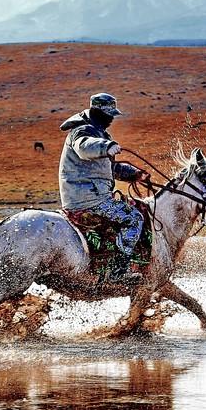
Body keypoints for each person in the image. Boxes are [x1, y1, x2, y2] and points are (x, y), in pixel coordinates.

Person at [59, 92, 148, 284]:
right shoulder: (82, 131)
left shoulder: (97, 132)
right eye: (109, 116)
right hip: (88, 199)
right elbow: (84, 148)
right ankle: (119, 271)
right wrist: (106, 146)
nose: (111, 120)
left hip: (90, 195)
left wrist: (134, 174)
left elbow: (109, 169)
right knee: (133, 218)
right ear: (98, 112)